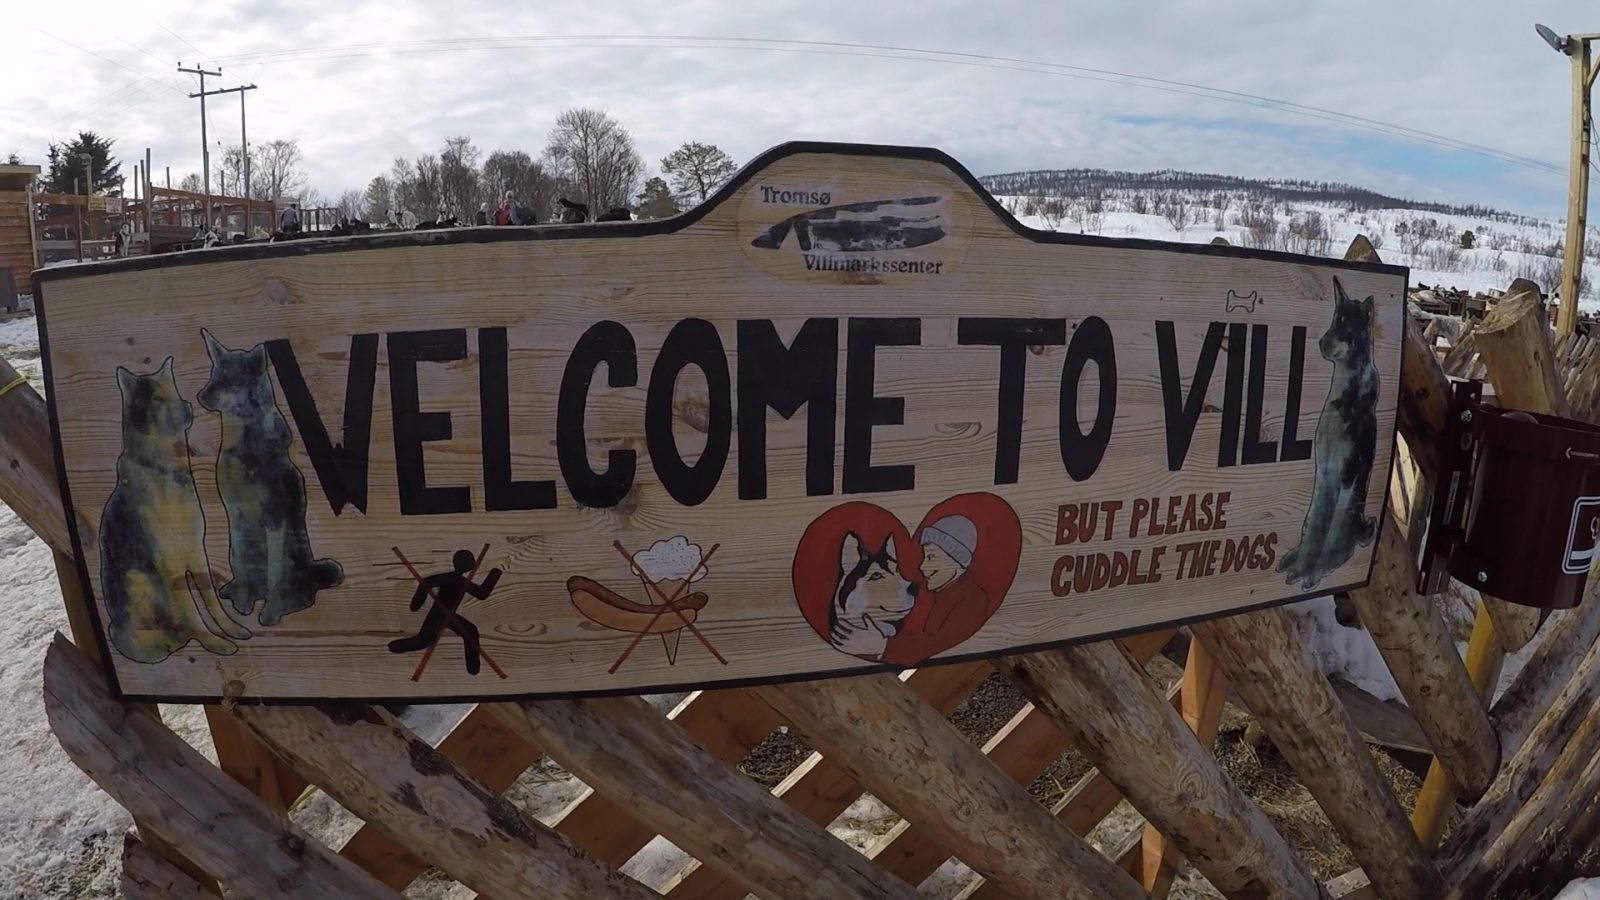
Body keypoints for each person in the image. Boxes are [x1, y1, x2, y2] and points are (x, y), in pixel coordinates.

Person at [878, 515, 991, 666]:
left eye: (931, 557)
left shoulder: (973, 600)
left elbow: (937, 646)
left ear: (955, 559)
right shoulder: (940, 596)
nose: (922, 566)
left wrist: (882, 647)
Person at [387, 549, 503, 675]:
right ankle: (396, 646)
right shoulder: (457, 580)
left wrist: (495, 573)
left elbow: (481, 594)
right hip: (439, 614)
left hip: (446, 615)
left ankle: (473, 667)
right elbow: (482, 593)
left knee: (470, 631)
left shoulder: (460, 581)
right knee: (424, 640)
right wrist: (415, 605)